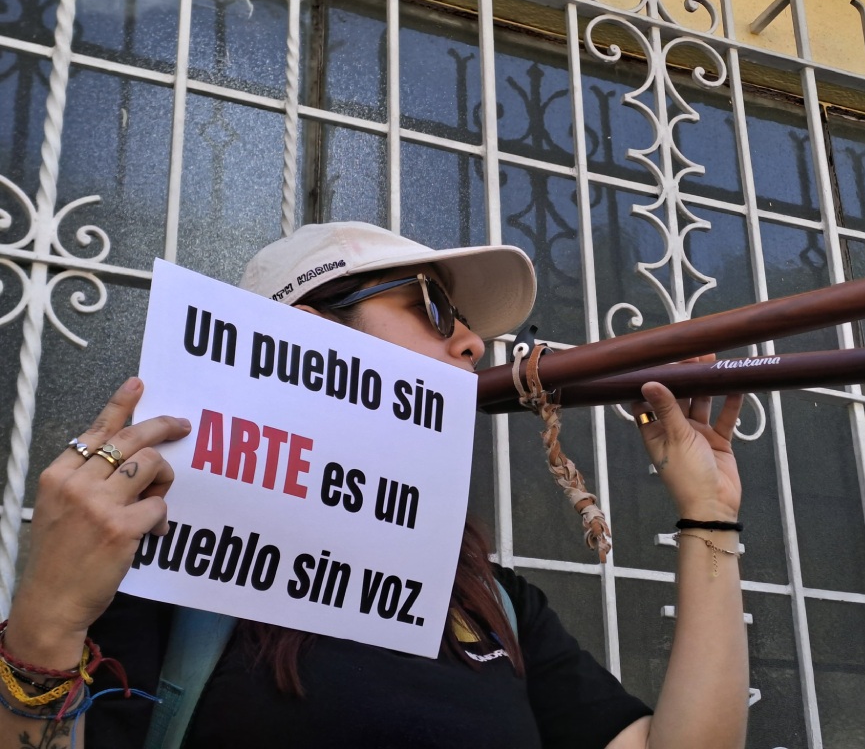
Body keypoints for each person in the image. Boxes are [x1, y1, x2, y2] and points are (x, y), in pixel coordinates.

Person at [0, 222, 749, 748]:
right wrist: (47, 623)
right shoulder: (161, 564)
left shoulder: (489, 600)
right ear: (304, 334)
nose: (472, 342)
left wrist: (708, 515)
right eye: (431, 305)